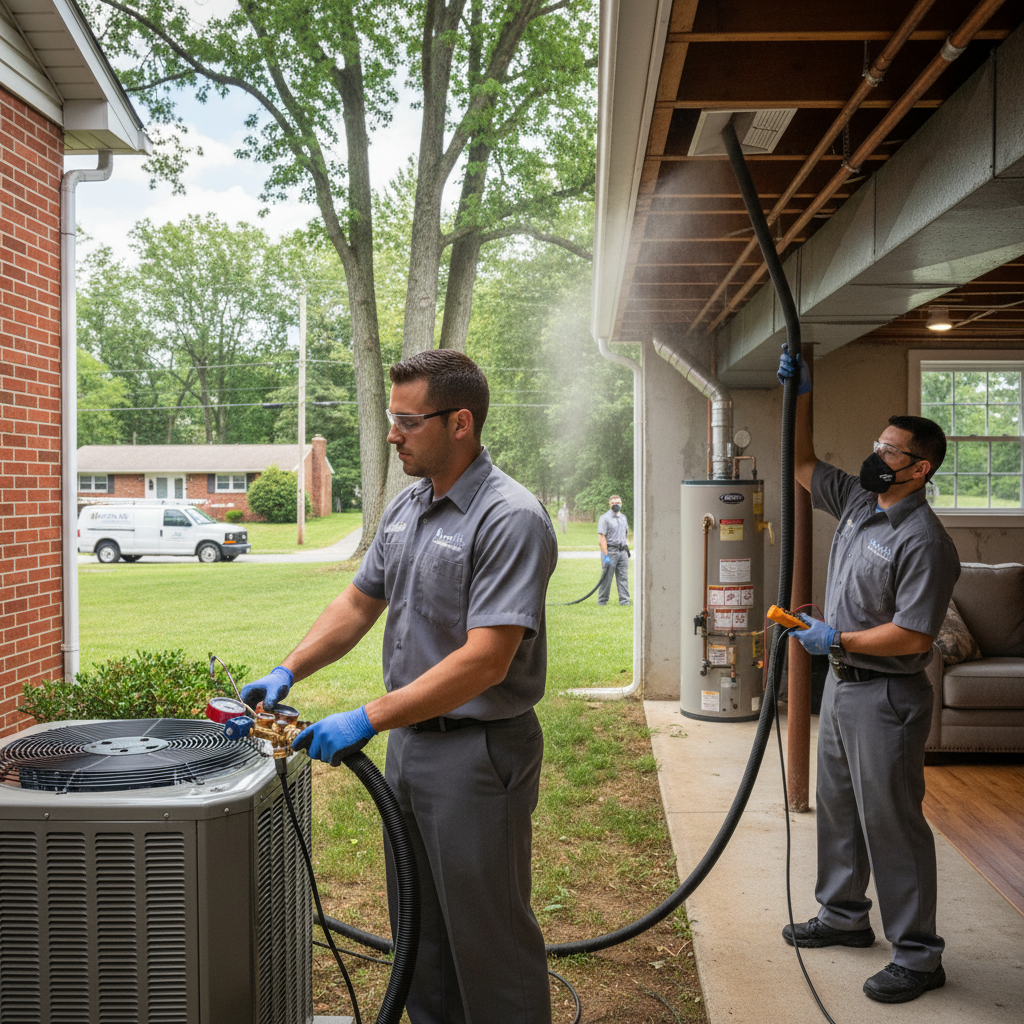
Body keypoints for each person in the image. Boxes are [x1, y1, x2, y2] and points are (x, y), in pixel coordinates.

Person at [228, 350, 558, 1024]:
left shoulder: (510, 517)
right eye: (392, 418)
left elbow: (486, 661)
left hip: (478, 755)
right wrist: (288, 670)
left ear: (460, 422)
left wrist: (367, 717)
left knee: (487, 941)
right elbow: (356, 604)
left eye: (407, 420)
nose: (391, 433)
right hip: (411, 748)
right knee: (423, 935)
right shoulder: (407, 506)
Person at [777, 349, 960, 1005]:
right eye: (876, 443)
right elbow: (801, 464)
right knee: (839, 809)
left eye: (889, 449)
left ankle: (918, 955)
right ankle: (843, 915)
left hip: (889, 697)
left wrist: (839, 637)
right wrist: (801, 394)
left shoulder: (925, 541)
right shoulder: (859, 500)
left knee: (892, 824)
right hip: (844, 686)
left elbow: (912, 633)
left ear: (920, 468)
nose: (875, 455)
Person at [596, 494, 630, 605]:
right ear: (609, 504)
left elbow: (626, 533)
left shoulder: (623, 518)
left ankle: (625, 601)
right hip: (610, 552)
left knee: (623, 577)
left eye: (618, 502)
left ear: (621, 503)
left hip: (623, 552)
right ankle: (602, 601)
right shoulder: (604, 518)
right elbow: (602, 537)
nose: (616, 505)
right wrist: (605, 554)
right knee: (606, 578)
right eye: (614, 503)